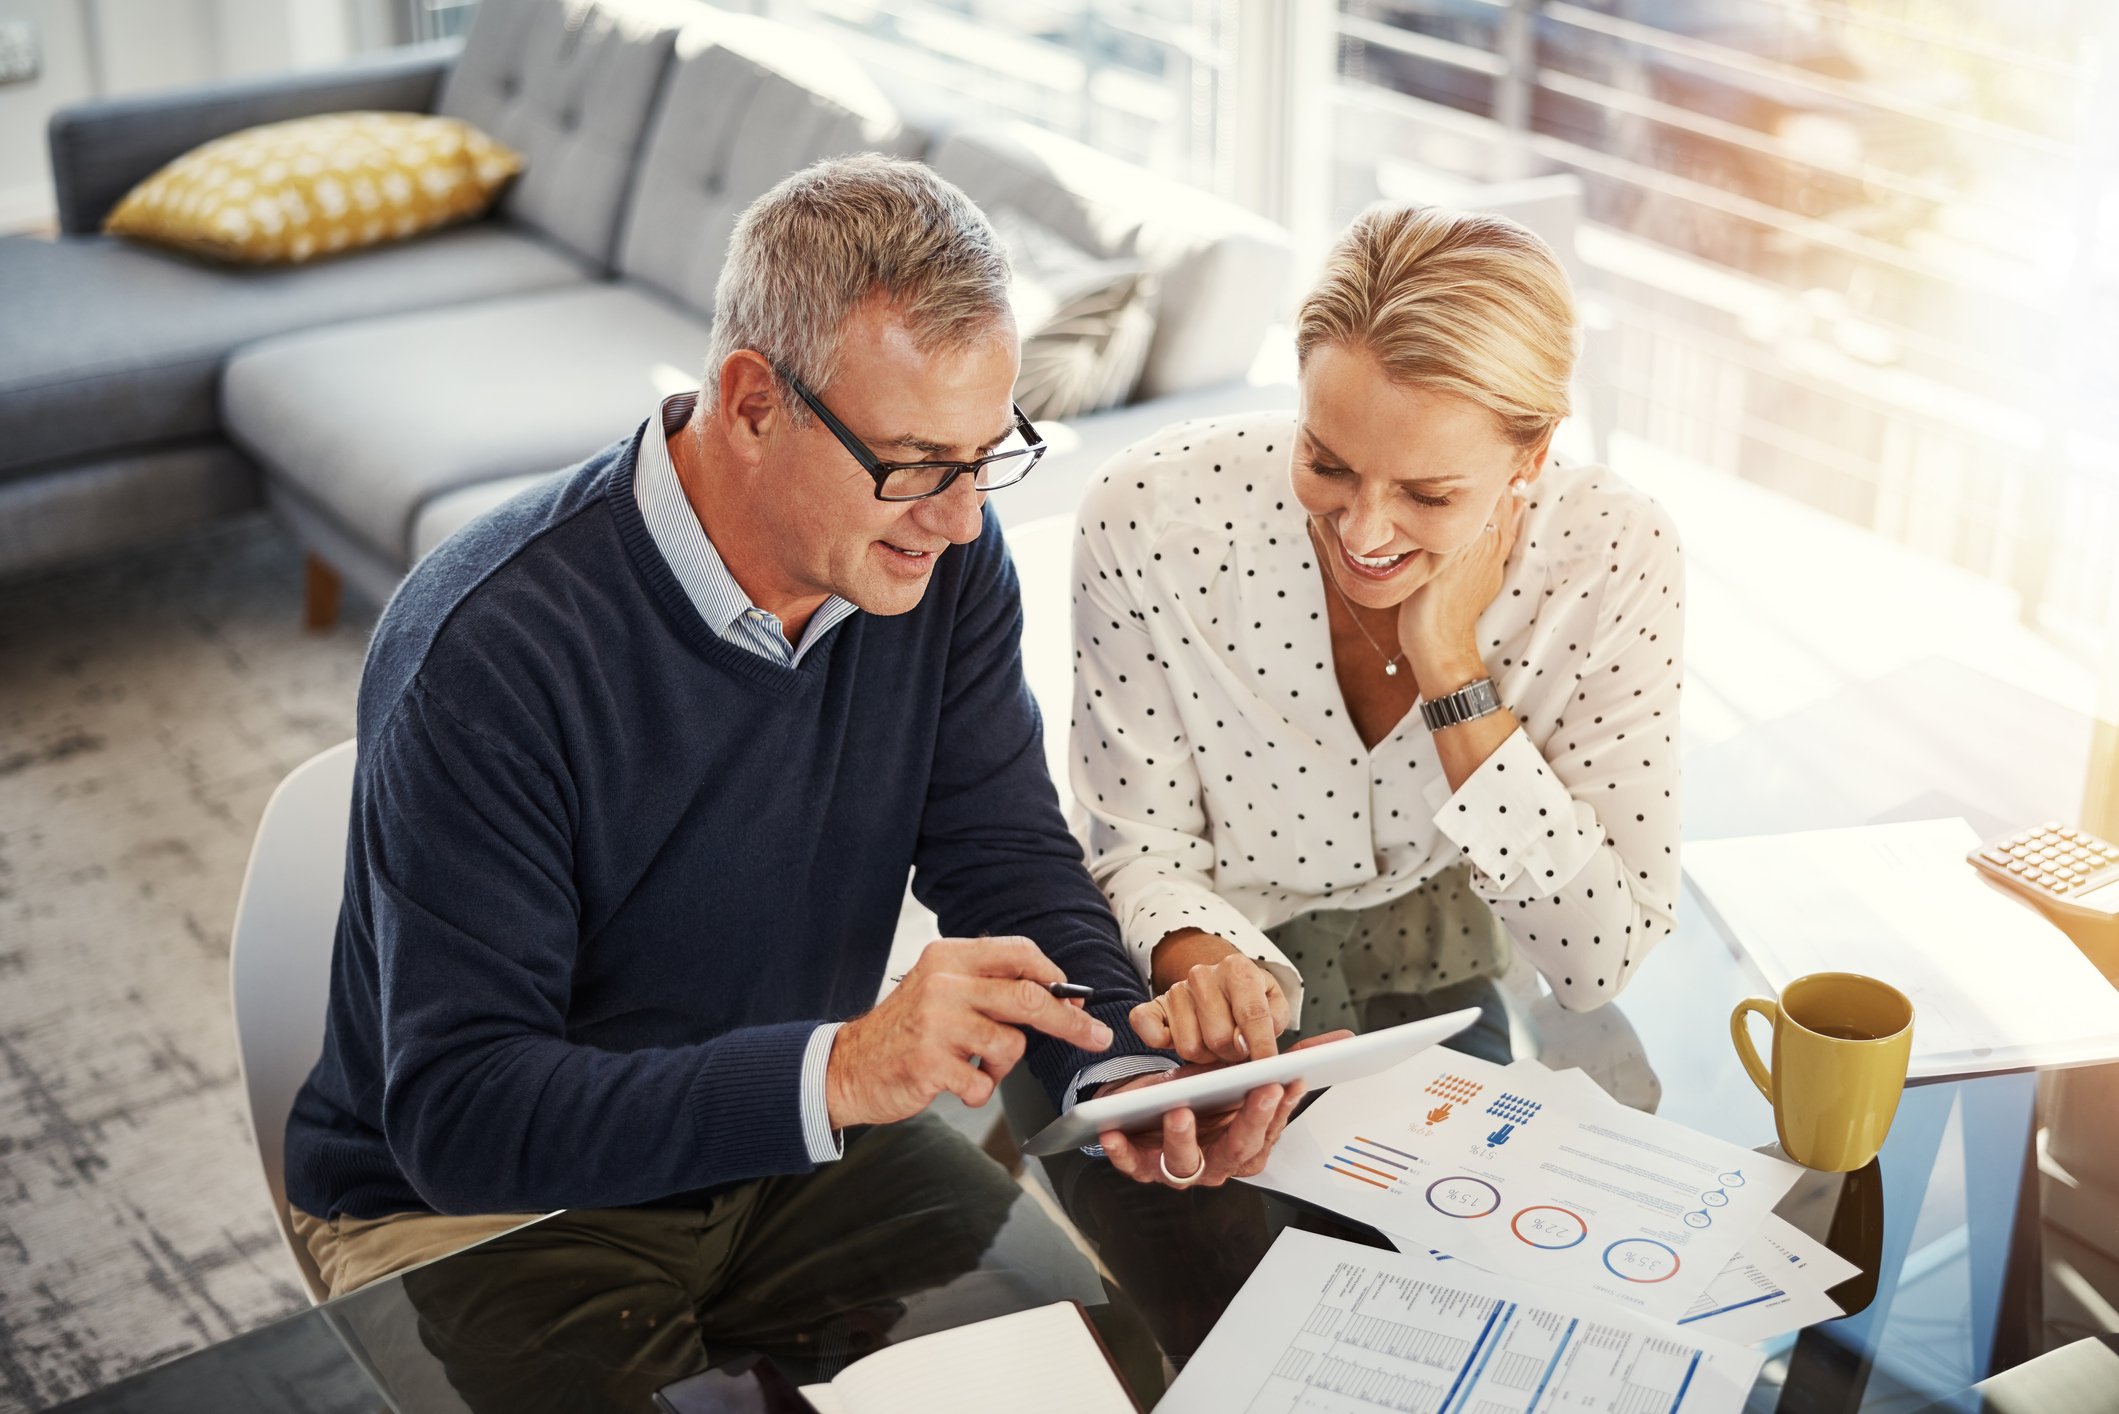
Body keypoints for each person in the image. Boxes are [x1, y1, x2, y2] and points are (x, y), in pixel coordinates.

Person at [279, 155, 1308, 1305]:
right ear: (752, 402)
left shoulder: (938, 564)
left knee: (1088, 1366)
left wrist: (1126, 1064)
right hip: (491, 1207)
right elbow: (461, 1115)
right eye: (916, 465)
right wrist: (842, 1069)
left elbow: (1005, 859)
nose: (962, 515)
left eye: (986, 455)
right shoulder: (489, 650)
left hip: (789, 1137)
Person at [1070, 203, 1685, 1065]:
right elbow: (1137, 848)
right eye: (1325, 463)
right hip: (1195, 960)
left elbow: (1596, 959)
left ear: (1533, 456)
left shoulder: (1611, 556)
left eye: (1428, 496)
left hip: (1439, 956)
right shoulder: (1148, 518)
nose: (1361, 534)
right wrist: (1207, 970)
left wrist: (1451, 671)